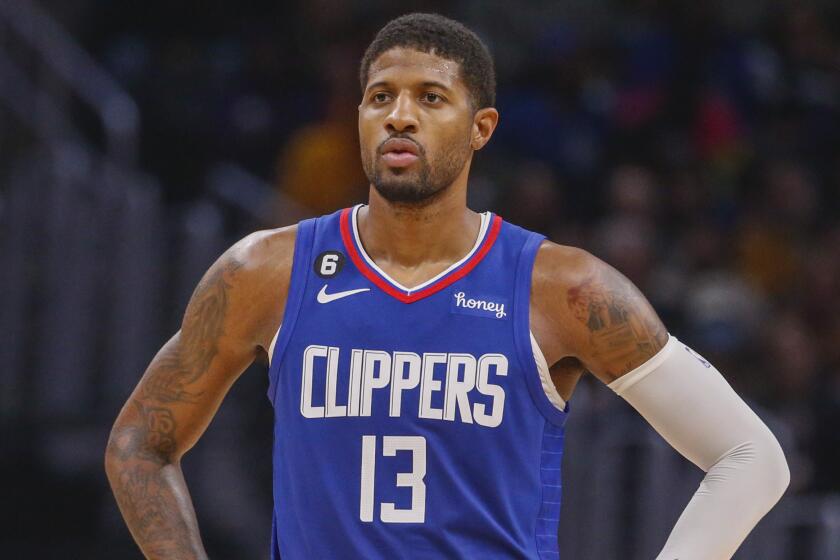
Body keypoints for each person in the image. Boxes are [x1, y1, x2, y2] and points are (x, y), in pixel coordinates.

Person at [105, 13, 790, 560]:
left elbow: (751, 456)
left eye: (430, 98)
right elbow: (139, 442)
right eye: (380, 97)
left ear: (480, 127)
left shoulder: (563, 287)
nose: (399, 116)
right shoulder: (266, 272)